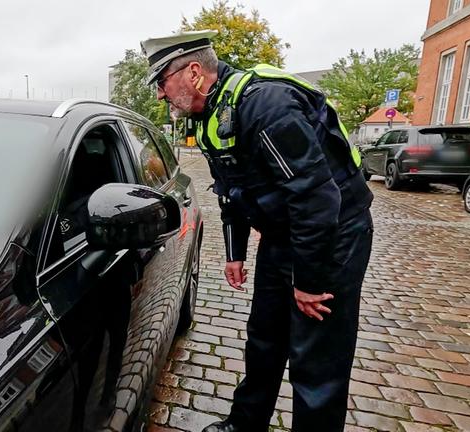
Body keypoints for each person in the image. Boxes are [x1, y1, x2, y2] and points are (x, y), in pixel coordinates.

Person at [140, 30, 374, 432]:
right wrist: (235, 252)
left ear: (193, 72)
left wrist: (309, 281)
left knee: (315, 359)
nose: (161, 94)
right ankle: (246, 424)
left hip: (332, 237)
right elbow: (232, 191)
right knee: (264, 338)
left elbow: (317, 199)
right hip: (285, 235)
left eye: (162, 81)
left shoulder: (267, 106)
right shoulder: (214, 113)